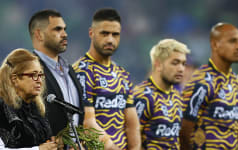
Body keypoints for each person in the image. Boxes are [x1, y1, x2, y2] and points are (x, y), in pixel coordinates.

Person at [73, 8, 140, 150]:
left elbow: (132, 124)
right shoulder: (82, 71)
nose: (110, 39)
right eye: (104, 33)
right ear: (91, 33)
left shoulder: (122, 74)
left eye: (115, 34)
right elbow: (88, 123)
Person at [180, 23, 238, 150]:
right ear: (215, 45)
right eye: (232, 41)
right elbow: (183, 130)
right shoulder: (202, 82)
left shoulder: (235, 82)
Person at [28, 9, 84, 139]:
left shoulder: (70, 70)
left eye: (64, 29)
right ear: (39, 35)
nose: (65, 34)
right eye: (57, 29)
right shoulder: (25, 72)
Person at [132, 39, 190, 149]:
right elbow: (130, 140)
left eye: (183, 64)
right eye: (175, 63)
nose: (181, 69)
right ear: (158, 65)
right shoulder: (143, 97)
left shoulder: (177, 97)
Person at [0, 49, 58, 150]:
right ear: (15, 79)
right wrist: (38, 149)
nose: (40, 81)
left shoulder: (36, 108)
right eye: (34, 75)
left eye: (41, 75)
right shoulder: (2, 107)